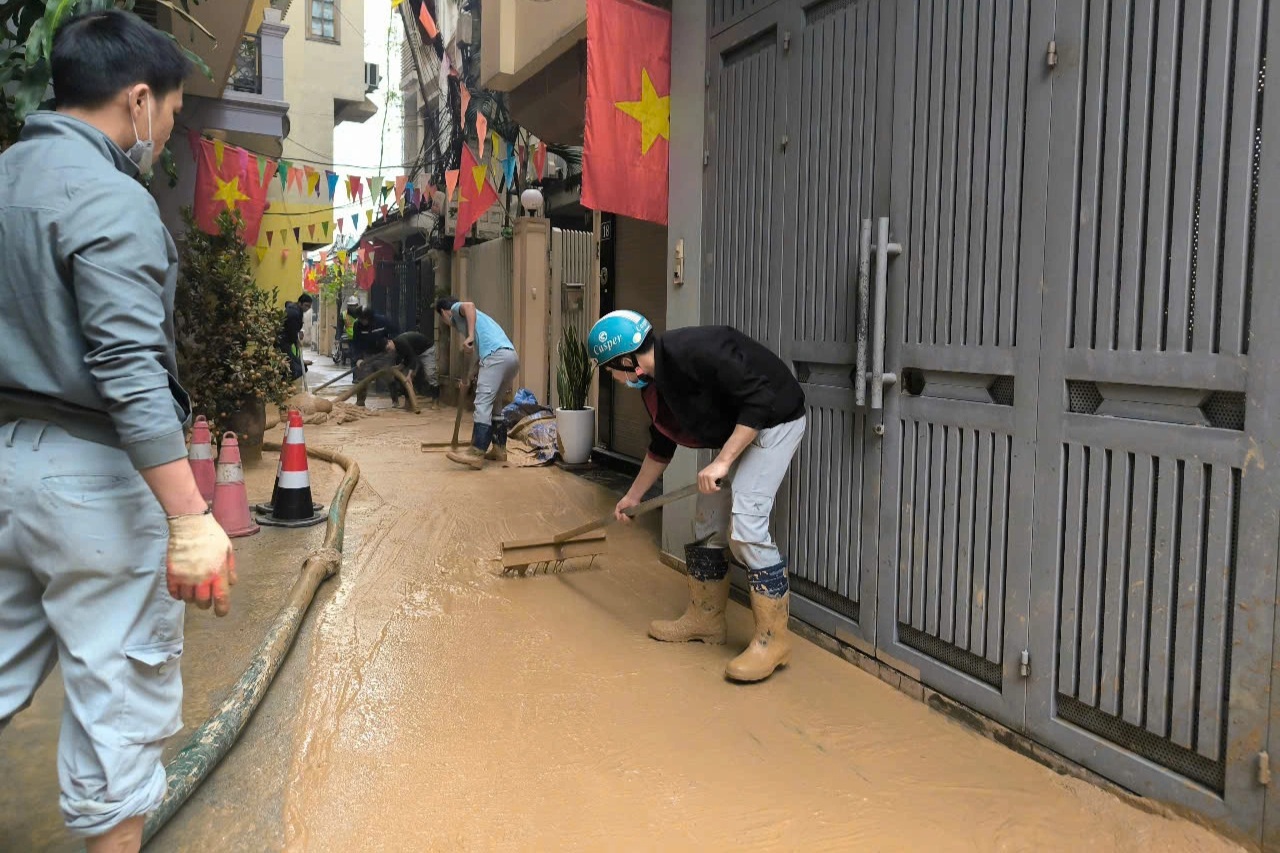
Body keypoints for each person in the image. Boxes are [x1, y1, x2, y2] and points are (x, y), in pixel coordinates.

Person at [0, 11, 236, 852]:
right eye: (170, 114)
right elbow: (130, 368)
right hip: (93, 481)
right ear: (138, 101)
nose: (165, 132)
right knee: (118, 712)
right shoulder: (109, 199)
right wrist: (188, 515)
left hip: (4, 464)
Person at [587, 310, 806, 683]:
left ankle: (774, 641)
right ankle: (705, 619)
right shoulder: (654, 383)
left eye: (610, 369)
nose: (613, 377)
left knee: (747, 528)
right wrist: (633, 496)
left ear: (627, 360)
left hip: (774, 422)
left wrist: (722, 463)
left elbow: (759, 399)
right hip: (737, 430)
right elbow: (662, 441)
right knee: (707, 523)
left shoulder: (700, 350)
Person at [436, 297, 520, 468]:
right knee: (496, 403)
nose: (445, 322)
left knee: (482, 403)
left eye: (442, 319)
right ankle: (499, 448)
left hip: (496, 357)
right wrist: (468, 377)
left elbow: (469, 305)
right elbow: (483, 356)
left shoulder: (457, 309)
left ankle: (476, 451)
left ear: (444, 312)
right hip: (510, 357)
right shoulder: (479, 321)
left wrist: (470, 336)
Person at [351, 308, 398, 407]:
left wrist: (392, 343)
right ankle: (360, 401)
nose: (362, 321)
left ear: (370, 317)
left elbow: (395, 331)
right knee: (362, 378)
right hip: (367, 355)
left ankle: (395, 400)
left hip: (383, 354)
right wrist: (358, 358)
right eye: (360, 319)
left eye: (364, 319)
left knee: (389, 377)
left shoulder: (382, 321)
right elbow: (356, 343)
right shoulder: (357, 325)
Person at [384, 330, 439, 407]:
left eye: (389, 348)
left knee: (430, 374)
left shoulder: (400, 342)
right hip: (415, 352)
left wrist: (409, 375)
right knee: (405, 377)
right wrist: (400, 366)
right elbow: (407, 358)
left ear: (390, 341)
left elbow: (412, 358)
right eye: (388, 350)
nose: (390, 351)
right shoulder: (396, 348)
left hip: (426, 350)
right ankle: (408, 402)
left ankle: (435, 400)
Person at [279, 292, 313, 381]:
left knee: (297, 366)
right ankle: (282, 383)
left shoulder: (294, 309)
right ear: (300, 303)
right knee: (298, 369)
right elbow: (291, 330)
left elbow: (287, 303)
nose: (307, 309)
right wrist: (296, 340)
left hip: (285, 342)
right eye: (306, 305)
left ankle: (283, 383)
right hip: (283, 342)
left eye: (309, 307)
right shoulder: (294, 313)